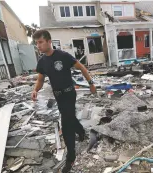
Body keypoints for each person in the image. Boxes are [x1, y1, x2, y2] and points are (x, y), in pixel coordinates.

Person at [31, 29, 96, 172]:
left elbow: (82, 68)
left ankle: (71, 158)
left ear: (49, 41)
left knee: (65, 124)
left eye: (41, 42)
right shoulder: (42, 62)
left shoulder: (63, 56)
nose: (38, 46)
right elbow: (41, 79)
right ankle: (81, 131)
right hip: (58, 96)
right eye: (37, 43)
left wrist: (91, 83)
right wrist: (35, 90)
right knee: (70, 117)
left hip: (69, 93)